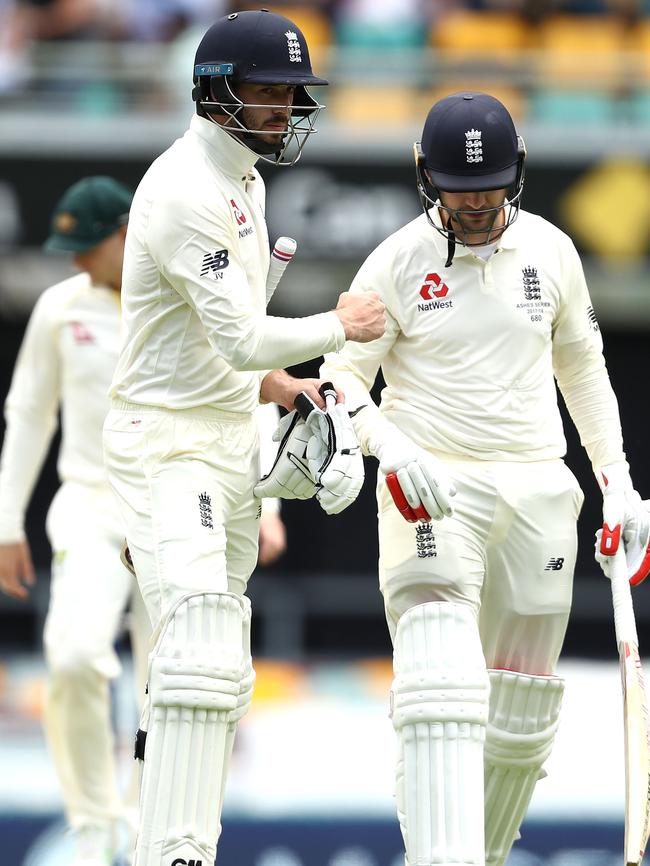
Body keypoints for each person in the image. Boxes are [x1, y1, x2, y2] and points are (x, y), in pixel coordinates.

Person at [321, 91, 650, 866]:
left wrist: (618, 483)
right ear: (423, 176)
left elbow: (584, 370)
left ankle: (482, 856)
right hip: (432, 485)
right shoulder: (395, 260)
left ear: (519, 173)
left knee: (521, 702)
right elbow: (339, 378)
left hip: (539, 485)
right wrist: (389, 446)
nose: (474, 202)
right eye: (457, 186)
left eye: (490, 184)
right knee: (442, 684)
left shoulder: (553, 251)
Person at [101, 9, 385, 866]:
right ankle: (172, 852)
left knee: (218, 669)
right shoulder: (187, 187)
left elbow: (225, 349)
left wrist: (282, 392)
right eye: (267, 92)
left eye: (293, 94)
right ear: (214, 91)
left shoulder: (248, 183)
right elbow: (234, 338)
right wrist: (337, 327)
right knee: (193, 645)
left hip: (223, 436)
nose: (286, 108)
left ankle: (183, 846)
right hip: (166, 444)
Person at [0, 176, 151, 866]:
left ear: (126, 235)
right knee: (71, 654)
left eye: (86, 246)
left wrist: (265, 506)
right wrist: (6, 521)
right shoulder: (62, 308)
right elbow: (30, 413)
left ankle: (154, 824)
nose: (74, 262)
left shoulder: (178, 296)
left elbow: (245, 382)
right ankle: (94, 828)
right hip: (89, 503)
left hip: (175, 508)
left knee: (174, 685)